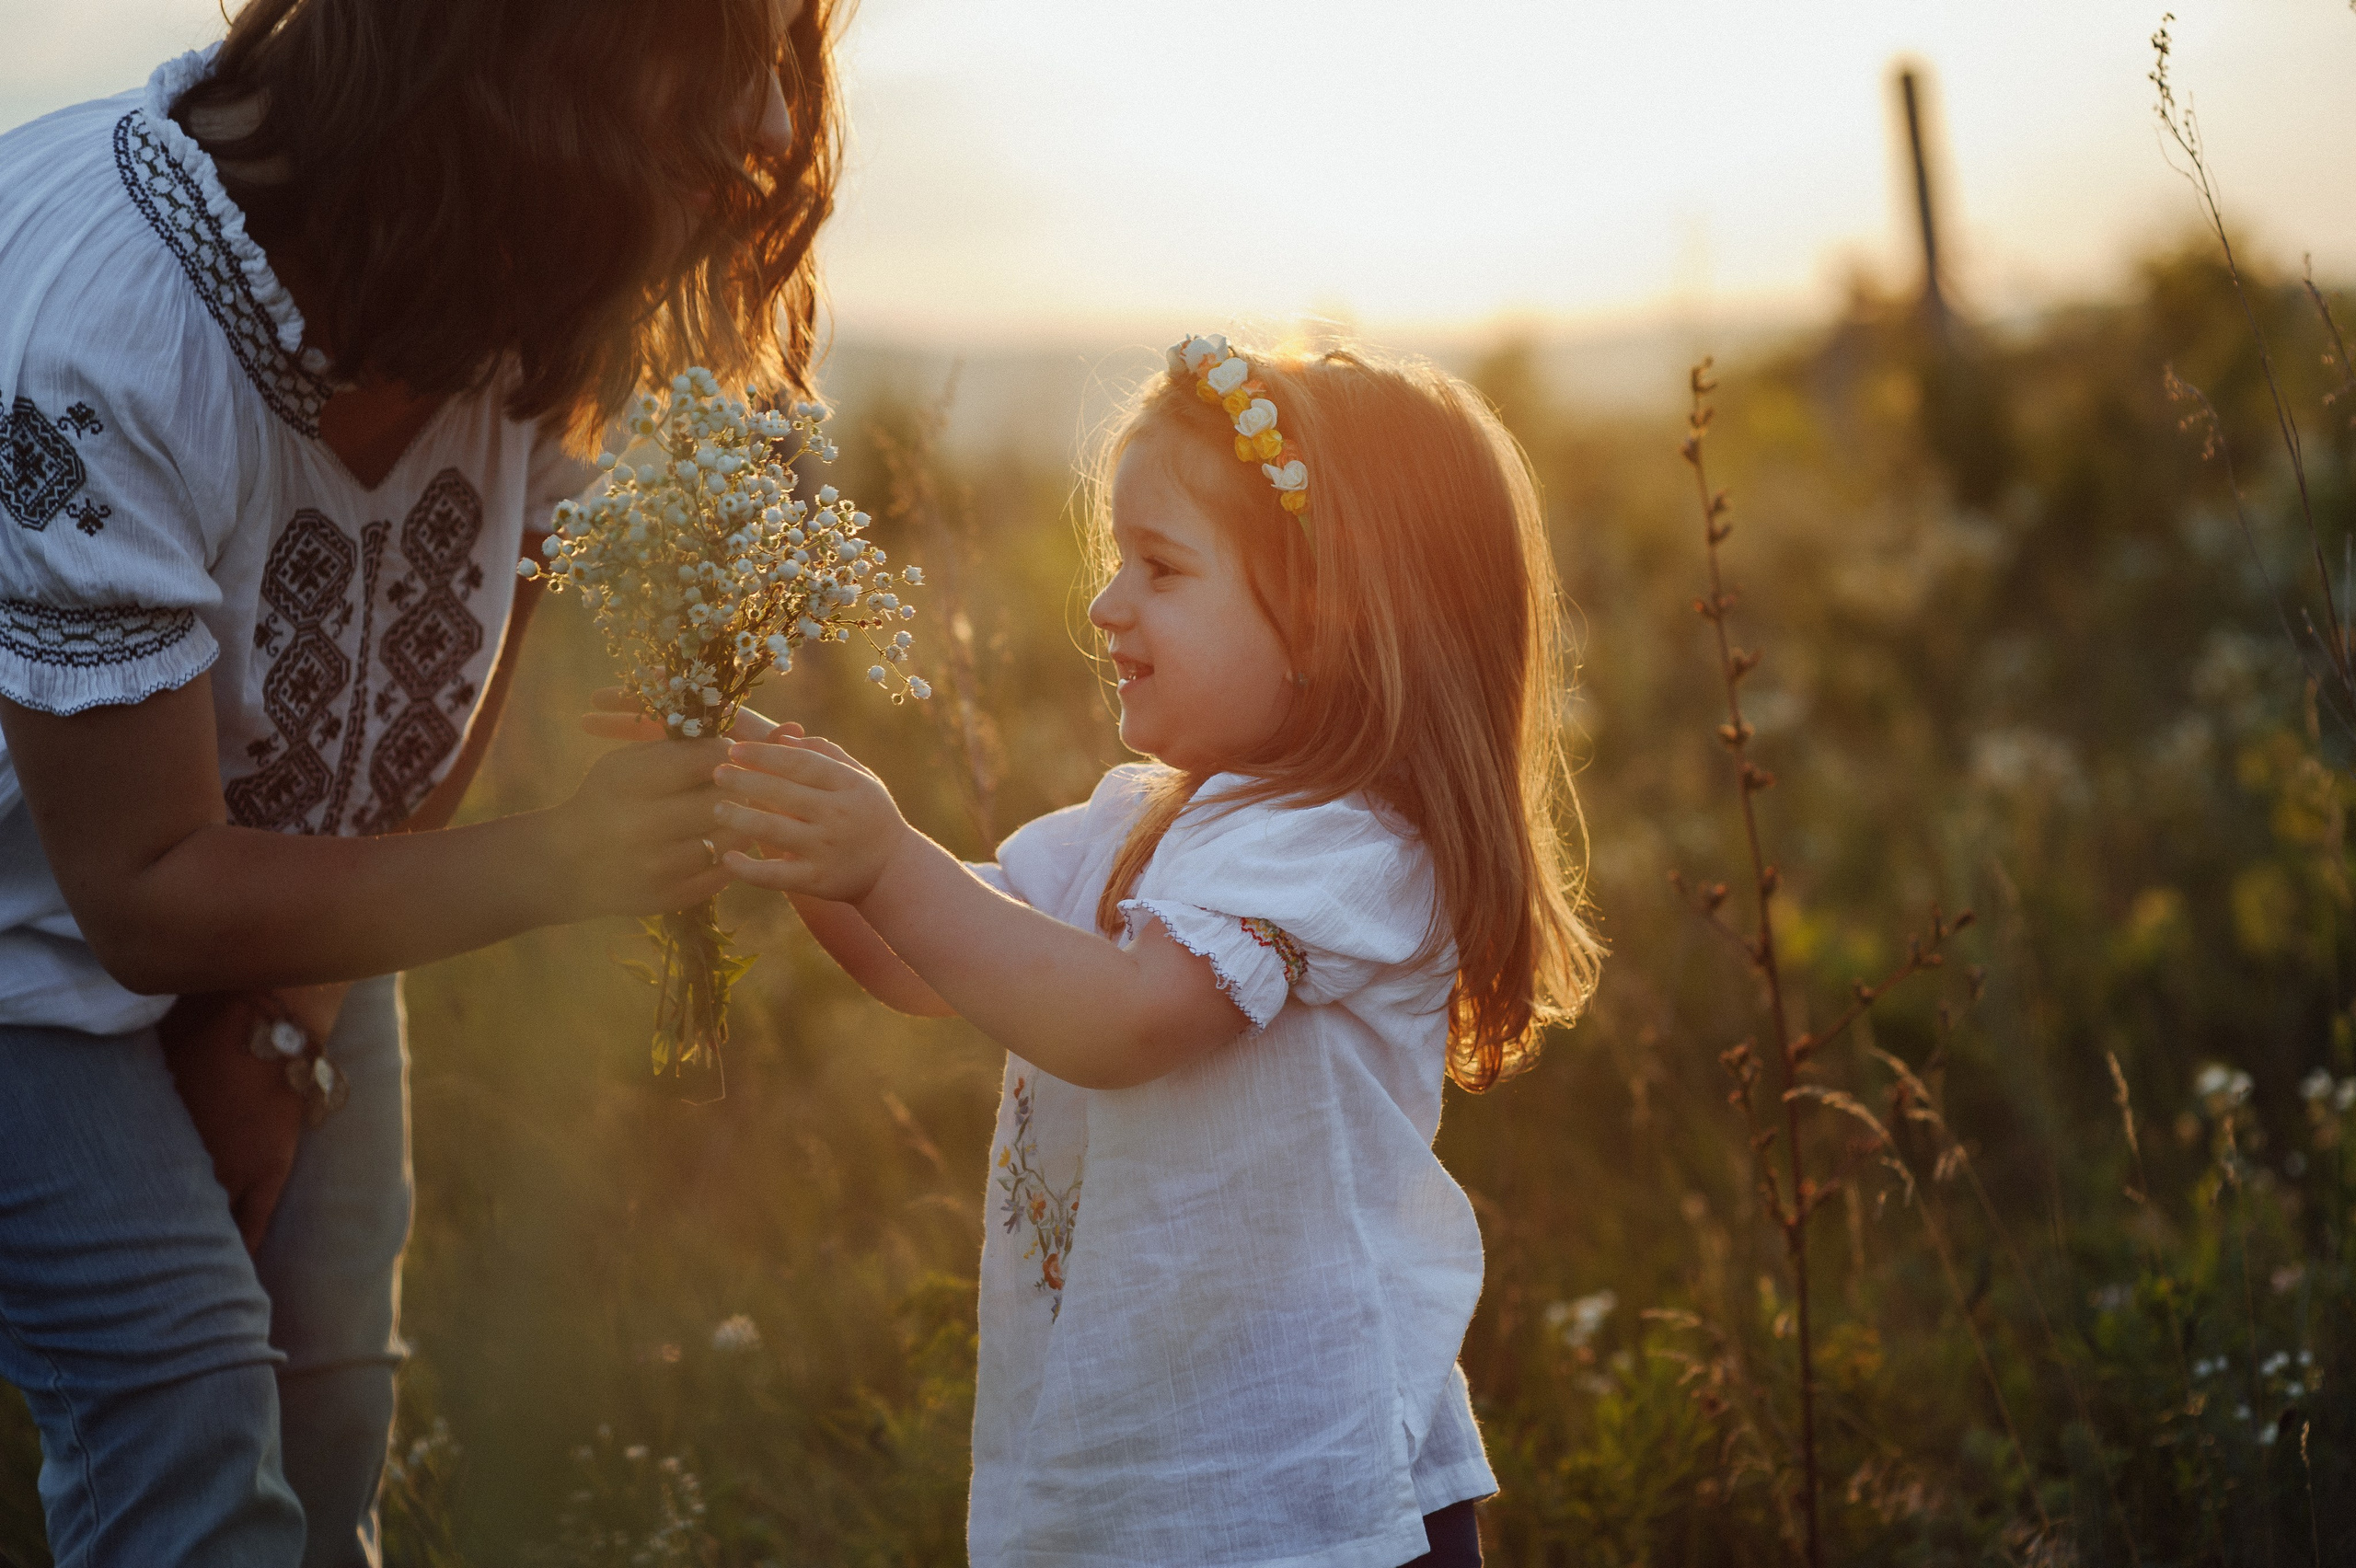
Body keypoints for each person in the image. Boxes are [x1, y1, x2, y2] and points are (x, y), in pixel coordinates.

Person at [0, 1, 839, 1562]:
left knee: (326, 1411)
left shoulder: (520, 279)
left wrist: (285, 1026)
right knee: (184, 1421)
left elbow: (428, 707)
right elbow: (137, 892)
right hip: (27, 953)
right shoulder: (103, 340)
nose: (779, 132)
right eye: (720, 50)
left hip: (312, 889)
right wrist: (568, 866)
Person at [709, 335, 1606, 1567]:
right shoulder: (1141, 819)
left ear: (1325, 618)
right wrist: (784, 812)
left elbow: (1123, 1021)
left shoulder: (1347, 851)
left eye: (1162, 567)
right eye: (1117, 557)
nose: (1105, 603)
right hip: (1149, 1466)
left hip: (1314, 1494)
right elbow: (928, 956)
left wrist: (884, 857)